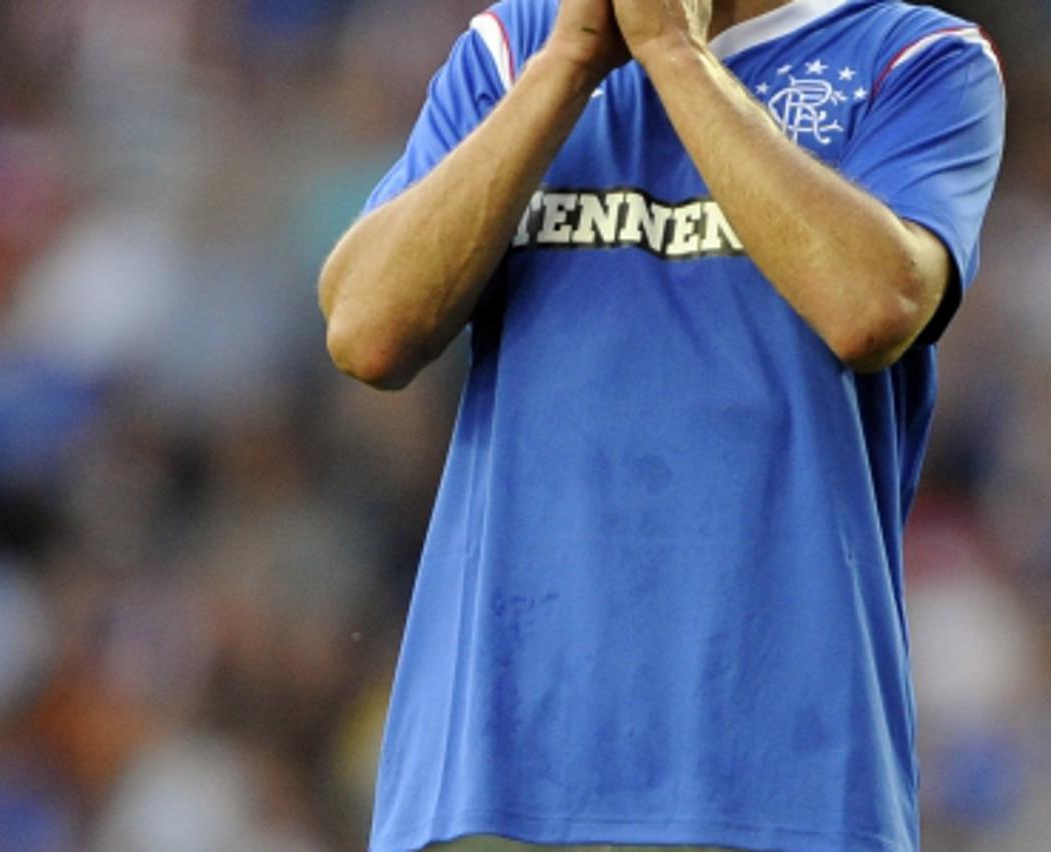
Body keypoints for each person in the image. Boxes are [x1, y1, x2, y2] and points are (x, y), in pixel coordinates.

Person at [318, 0, 1005, 849]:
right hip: (494, 783)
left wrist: (675, 57)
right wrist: (570, 62)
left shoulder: (915, 56)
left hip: (781, 782)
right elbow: (366, 329)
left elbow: (873, 306)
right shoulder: (514, 48)